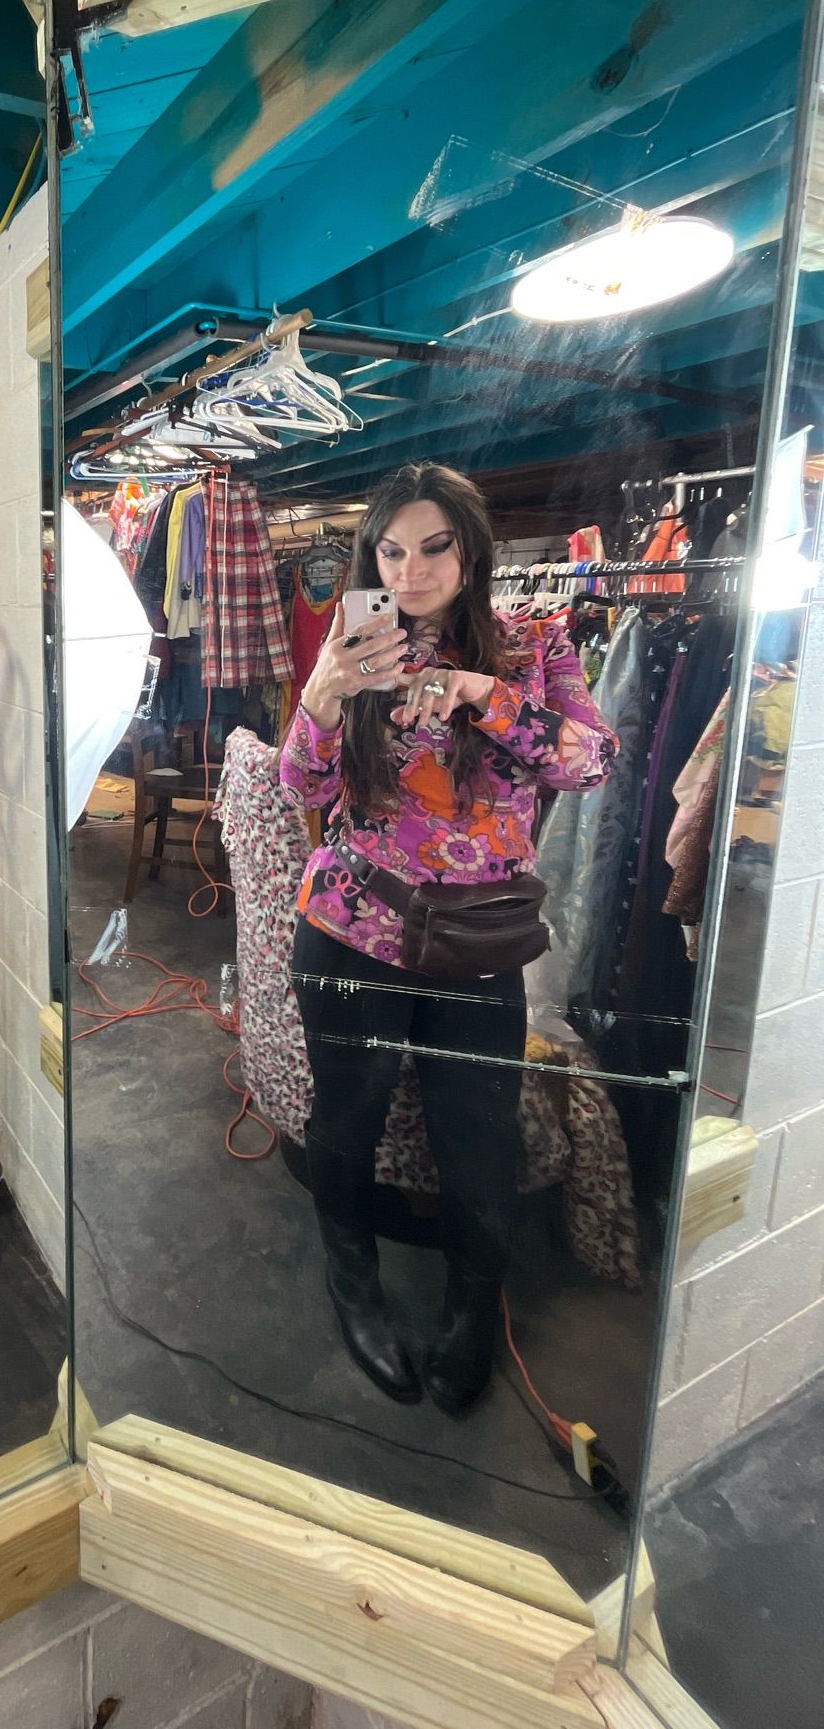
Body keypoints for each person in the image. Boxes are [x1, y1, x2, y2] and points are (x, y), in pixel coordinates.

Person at [280, 463, 615, 1415]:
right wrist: (323, 695)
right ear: (370, 557)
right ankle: (352, 1280)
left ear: (469, 550)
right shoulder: (360, 649)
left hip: (477, 944)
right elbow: (300, 792)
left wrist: (478, 692)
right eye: (392, 550)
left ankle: (475, 1307)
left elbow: (591, 762)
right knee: (348, 1114)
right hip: (352, 931)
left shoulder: (531, 642)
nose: (414, 570)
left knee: (479, 1134)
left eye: (434, 547)